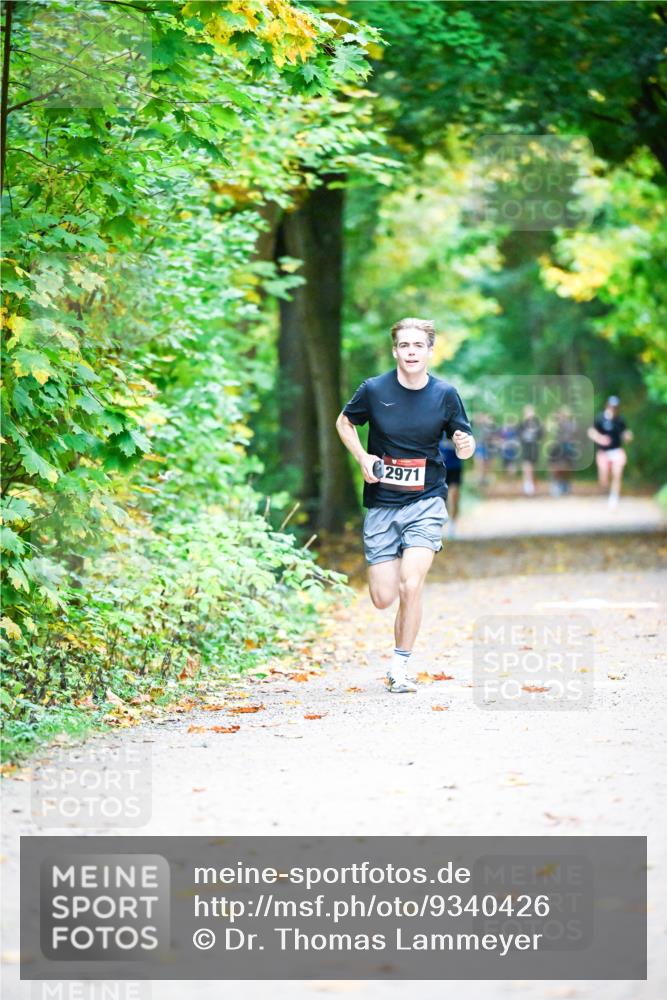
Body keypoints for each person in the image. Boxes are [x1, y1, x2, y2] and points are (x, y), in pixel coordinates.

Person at [335, 318, 475, 694]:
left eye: (418, 345)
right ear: (395, 350)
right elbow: (344, 423)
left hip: (426, 500)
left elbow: (466, 439)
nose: (411, 352)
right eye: (404, 346)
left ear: (430, 350)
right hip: (382, 503)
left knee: (411, 583)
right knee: (383, 597)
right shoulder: (374, 389)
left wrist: (465, 446)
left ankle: (400, 667)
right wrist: (363, 457)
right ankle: (398, 640)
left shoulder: (445, 394)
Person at [587, 395, 633, 507]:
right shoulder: (600, 418)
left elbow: (625, 432)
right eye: (612, 406)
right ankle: (606, 490)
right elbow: (591, 432)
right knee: (604, 478)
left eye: (616, 406)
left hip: (616, 451)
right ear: (608, 405)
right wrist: (600, 438)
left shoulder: (620, 419)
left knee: (617, 474)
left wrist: (628, 436)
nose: (614, 408)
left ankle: (614, 496)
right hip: (603, 452)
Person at [439, 433, 463, 537]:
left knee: (454, 495)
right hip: (440, 467)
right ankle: (442, 524)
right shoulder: (436, 423)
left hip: (455, 466)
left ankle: (452, 526)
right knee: (441, 499)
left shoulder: (456, 424)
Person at [518, 404, 543, 496]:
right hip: (526, 448)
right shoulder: (522, 423)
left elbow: (541, 434)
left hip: (534, 447)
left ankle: (532, 485)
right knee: (526, 466)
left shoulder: (537, 423)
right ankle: (528, 486)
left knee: (533, 467)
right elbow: (519, 435)